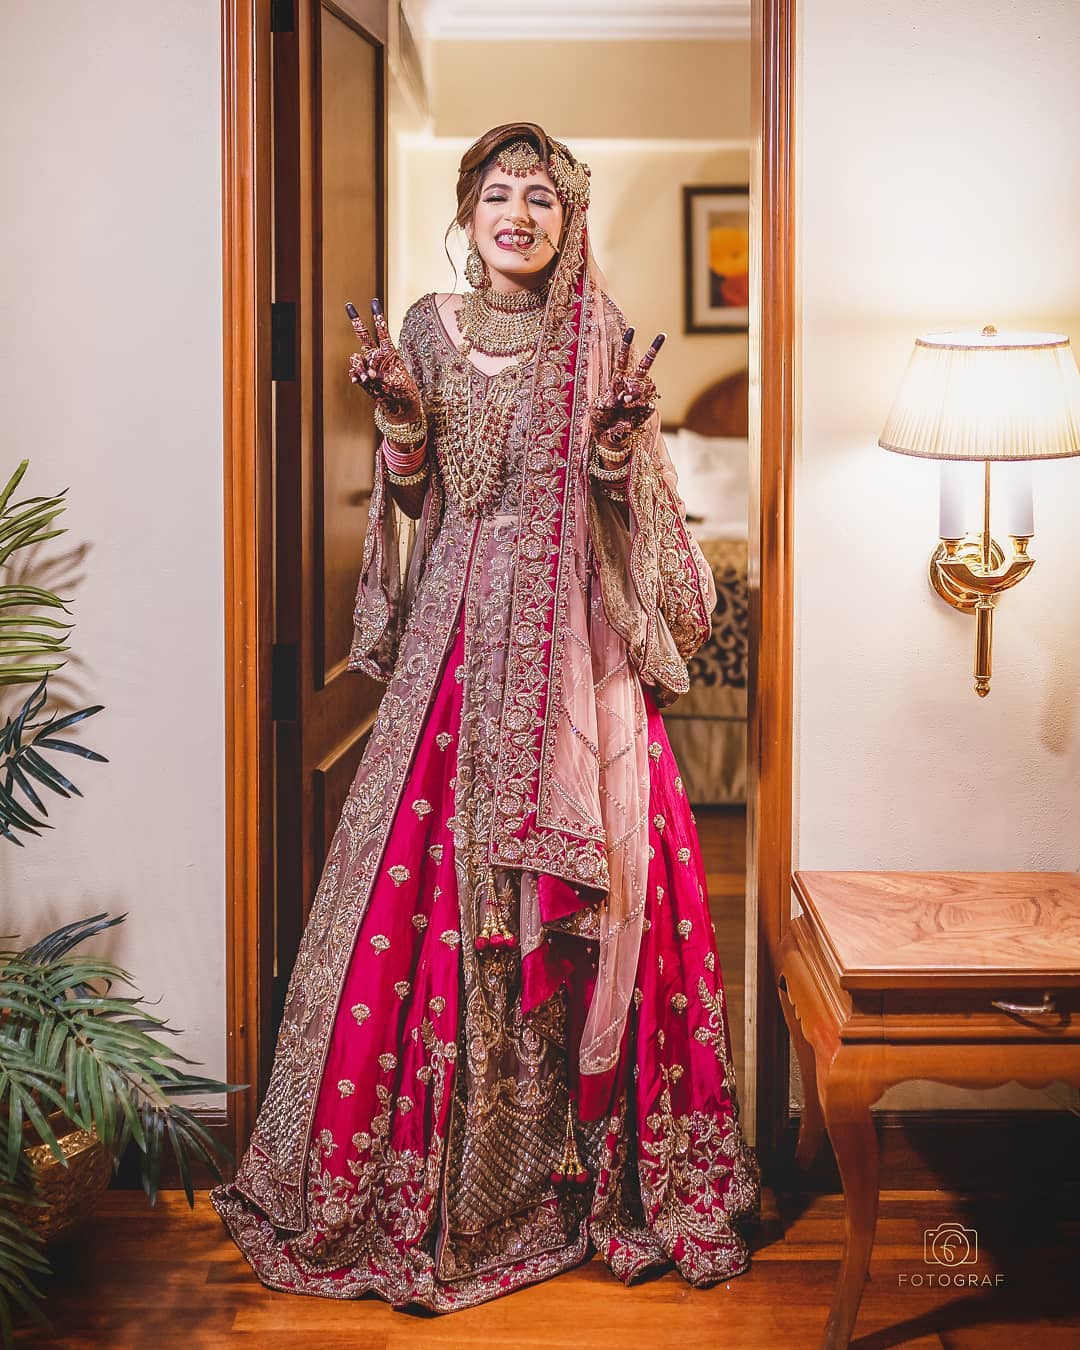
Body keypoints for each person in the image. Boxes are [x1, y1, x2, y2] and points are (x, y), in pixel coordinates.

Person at [211, 122, 760, 1311]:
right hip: (458, 638)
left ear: (567, 225)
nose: (519, 215)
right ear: (467, 216)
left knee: (608, 897)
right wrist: (403, 423)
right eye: (497, 195)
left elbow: (629, 504)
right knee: (429, 895)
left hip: (576, 651)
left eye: (541, 200)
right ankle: (421, 1188)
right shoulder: (425, 324)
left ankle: (583, 1179)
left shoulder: (600, 337)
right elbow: (416, 489)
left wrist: (616, 456)